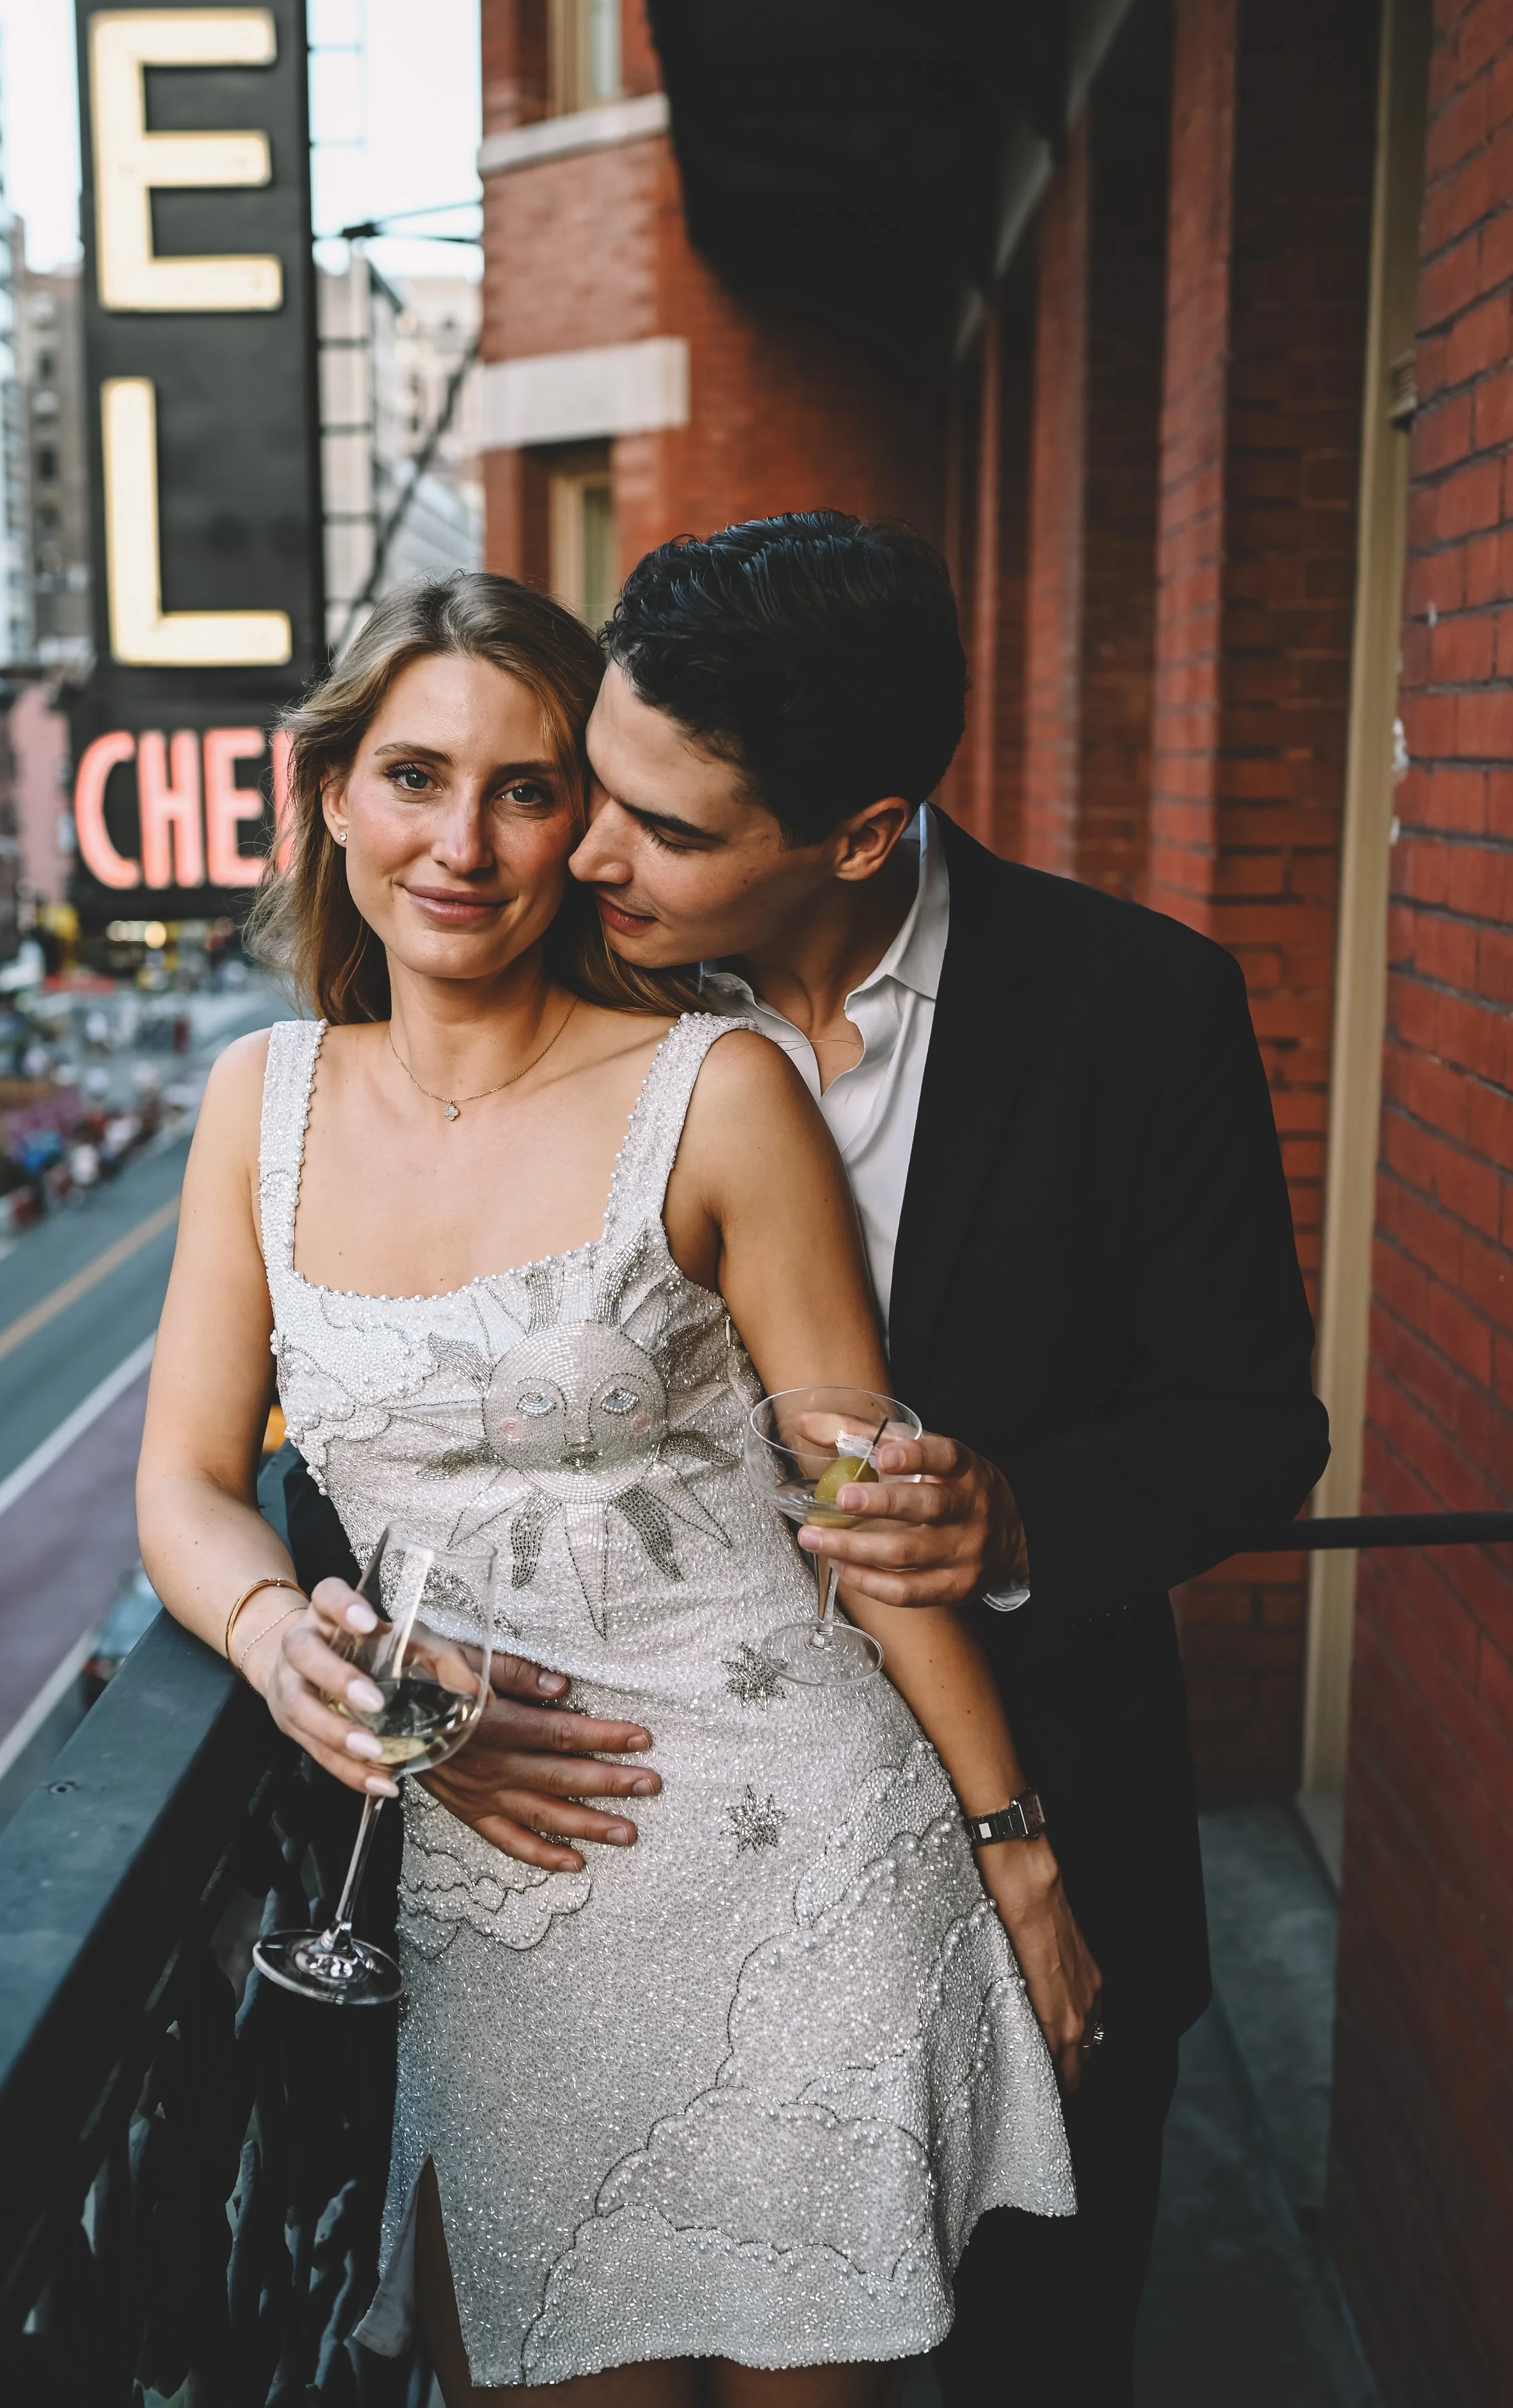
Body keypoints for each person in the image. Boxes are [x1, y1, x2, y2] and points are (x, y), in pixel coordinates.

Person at [136, 570, 1102, 2407]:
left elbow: (867, 1510)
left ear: (582, 819)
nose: (464, 843)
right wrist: (276, 1640)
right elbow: (184, 1482)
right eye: (415, 776)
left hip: (797, 1861)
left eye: (526, 788)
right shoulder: (258, 1105)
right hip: (499, 1887)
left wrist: (1013, 1844)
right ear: (331, 790)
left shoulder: (716, 1087)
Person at [415, 517, 1330, 2407]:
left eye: (663, 829)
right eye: (595, 786)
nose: (587, 854)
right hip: (651, 1865)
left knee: (1032, 2372)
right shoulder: (557, 986)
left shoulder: (1135, 1006)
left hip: (1045, 1834)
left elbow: (1253, 1425)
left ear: (861, 828)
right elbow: (391, 1366)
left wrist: (1017, 1512)